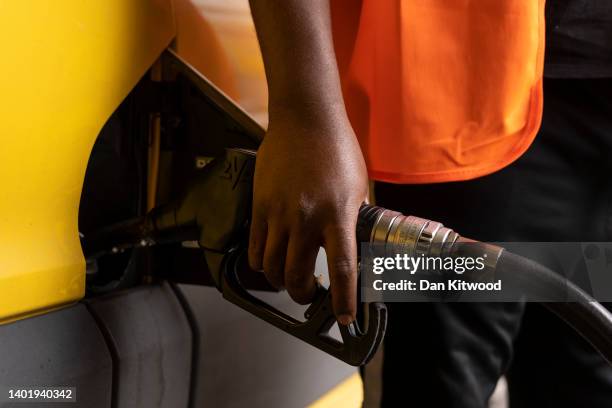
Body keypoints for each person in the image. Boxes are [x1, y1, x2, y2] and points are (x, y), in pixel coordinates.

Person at [246, 0, 612, 406]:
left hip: (593, 122)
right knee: (432, 389)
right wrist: (304, 114)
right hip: (453, 123)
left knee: (591, 382)